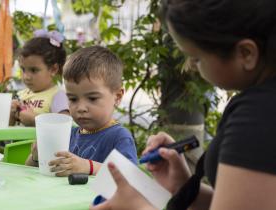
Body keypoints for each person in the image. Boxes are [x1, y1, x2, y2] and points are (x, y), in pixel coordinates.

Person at [90, 0, 276, 210]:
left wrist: (140, 207)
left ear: (246, 53)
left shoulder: (259, 116)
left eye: (196, 58)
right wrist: (185, 189)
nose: (190, 68)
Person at [26, 46, 138, 176]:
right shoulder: (68, 135)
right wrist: (36, 157)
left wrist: (88, 167)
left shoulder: (118, 136)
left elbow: (130, 174)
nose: (81, 108)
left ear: (117, 97)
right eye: (73, 99)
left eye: (92, 98)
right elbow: (31, 172)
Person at [9, 29, 69, 127]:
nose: (26, 77)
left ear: (53, 69)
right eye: (23, 69)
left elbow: (65, 127)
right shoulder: (21, 95)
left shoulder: (57, 96)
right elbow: (7, 133)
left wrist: (35, 120)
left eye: (34, 70)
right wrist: (11, 115)